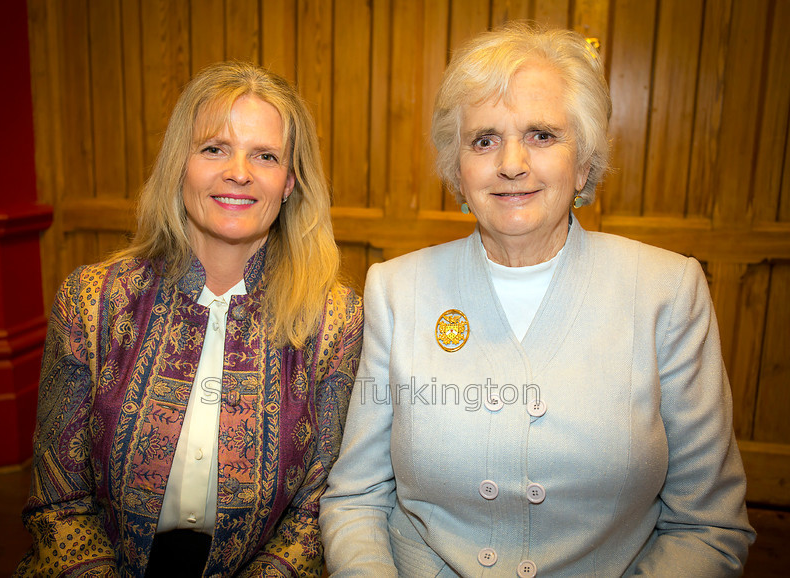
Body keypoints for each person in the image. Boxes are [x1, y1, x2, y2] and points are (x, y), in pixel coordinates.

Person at [319, 23, 754, 577]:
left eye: (542, 135)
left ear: (586, 162)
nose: (512, 163)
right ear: (457, 168)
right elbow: (357, 497)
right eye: (485, 140)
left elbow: (708, 526)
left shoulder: (668, 293)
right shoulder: (396, 290)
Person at [16, 61, 363, 577]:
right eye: (214, 148)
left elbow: (316, 510)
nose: (238, 172)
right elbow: (58, 501)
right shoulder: (91, 302)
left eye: (265, 156)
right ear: (181, 162)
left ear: (289, 182)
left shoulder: (334, 319)